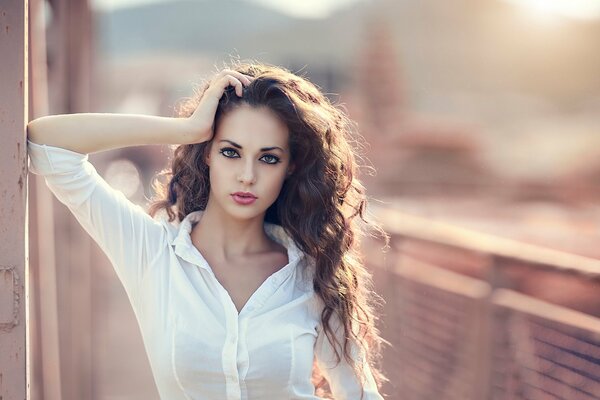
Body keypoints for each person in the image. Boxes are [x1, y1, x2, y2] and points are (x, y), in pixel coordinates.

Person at [27, 61, 389, 400]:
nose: (247, 175)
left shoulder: (314, 274)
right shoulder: (153, 253)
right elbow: (47, 145)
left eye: (268, 158)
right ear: (206, 154)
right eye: (231, 152)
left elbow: (359, 393)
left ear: (290, 167)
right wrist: (186, 130)